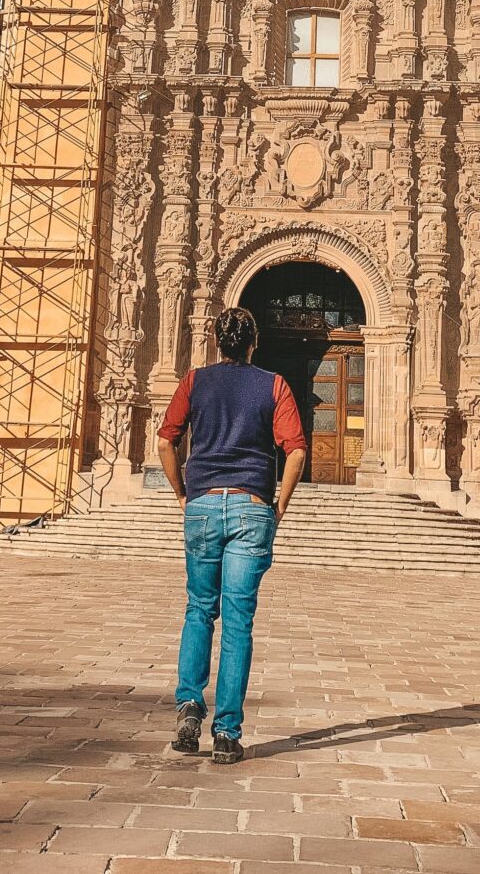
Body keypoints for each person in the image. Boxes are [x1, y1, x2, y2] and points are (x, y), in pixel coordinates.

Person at [157, 305, 308, 763]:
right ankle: (226, 732)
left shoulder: (195, 381)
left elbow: (166, 440)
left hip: (202, 505)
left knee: (200, 609)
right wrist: (278, 506)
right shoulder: (273, 384)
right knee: (239, 621)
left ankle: (188, 706)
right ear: (253, 344)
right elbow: (296, 451)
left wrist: (183, 494)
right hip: (251, 508)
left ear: (216, 343)